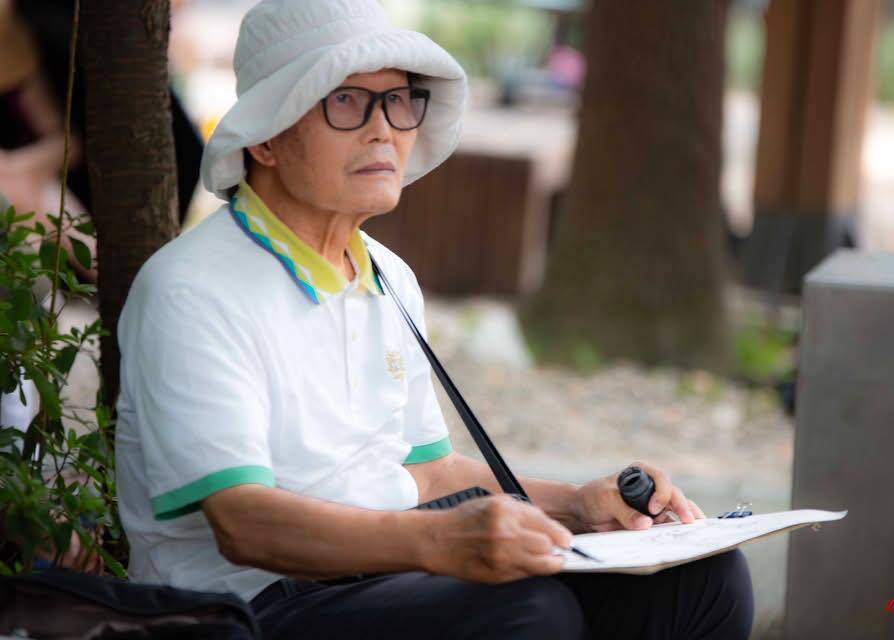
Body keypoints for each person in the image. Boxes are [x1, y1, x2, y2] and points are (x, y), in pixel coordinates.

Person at [115, 1, 754, 638]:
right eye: (346, 102)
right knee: (531, 613)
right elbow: (243, 523)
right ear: (266, 137)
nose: (383, 131)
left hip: (390, 570)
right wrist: (437, 541)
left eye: (398, 101)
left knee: (703, 581)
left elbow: (429, 474)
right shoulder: (193, 288)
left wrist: (579, 504)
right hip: (249, 608)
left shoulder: (388, 276)